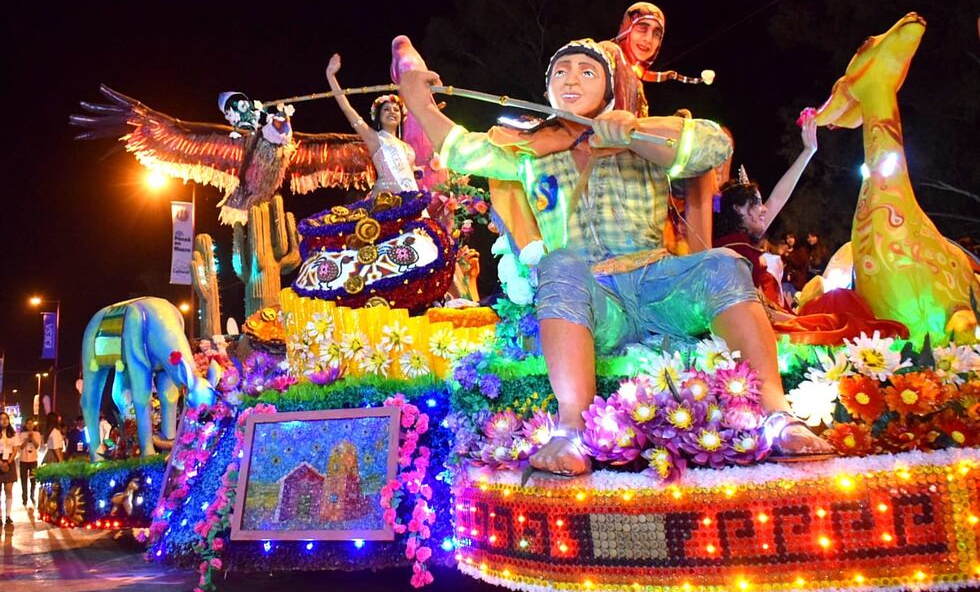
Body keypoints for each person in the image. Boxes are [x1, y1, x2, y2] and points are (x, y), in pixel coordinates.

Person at [399, 38, 834, 476]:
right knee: (559, 263)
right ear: (547, 88)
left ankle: (778, 416)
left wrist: (633, 131)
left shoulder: (642, 136)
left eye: (587, 72)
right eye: (560, 71)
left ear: (609, 88)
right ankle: (570, 431)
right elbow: (460, 149)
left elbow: (713, 145)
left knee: (723, 262)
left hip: (657, 284)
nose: (571, 78)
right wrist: (418, 102)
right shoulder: (530, 152)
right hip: (592, 300)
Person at [713, 114, 819, 311]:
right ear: (738, 209)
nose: (764, 209)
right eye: (758, 203)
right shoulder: (731, 246)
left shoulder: (744, 238)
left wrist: (808, 152)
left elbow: (778, 198)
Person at [325, 53, 419, 197]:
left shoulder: (408, 149)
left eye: (396, 110)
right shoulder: (375, 138)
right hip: (385, 202)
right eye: (386, 109)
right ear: (379, 116)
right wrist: (331, 76)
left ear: (401, 116)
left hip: (410, 201)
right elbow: (347, 108)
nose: (391, 112)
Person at [18, 419, 43, 512]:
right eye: (28, 423)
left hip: (33, 460)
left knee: (33, 479)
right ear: (25, 425)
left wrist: (32, 439)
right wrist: (26, 440)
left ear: (33, 425)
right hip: (23, 460)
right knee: (24, 480)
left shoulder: (37, 434)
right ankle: (24, 497)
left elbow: (37, 446)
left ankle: (32, 495)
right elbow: (20, 447)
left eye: (31, 423)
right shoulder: (21, 434)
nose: (29, 425)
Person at [0, 412, 20, 526]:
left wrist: (7, 462)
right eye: (1, 419)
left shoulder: (13, 434)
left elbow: (16, 449)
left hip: (9, 461)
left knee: (8, 490)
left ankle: (8, 516)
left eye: (6, 419)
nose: (4, 421)